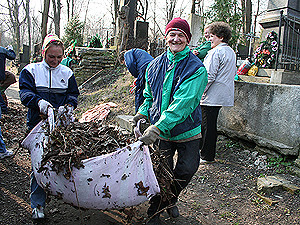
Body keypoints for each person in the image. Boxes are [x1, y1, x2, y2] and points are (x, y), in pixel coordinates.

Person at [132, 17, 208, 225]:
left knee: (187, 169)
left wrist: (156, 128)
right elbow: (149, 96)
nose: (176, 39)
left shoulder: (196, 69)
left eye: (181, 35)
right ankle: (156, 210)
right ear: (166, 37)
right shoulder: (154, 66)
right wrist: (142, 113)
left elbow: (183, 104)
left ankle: (168, 200)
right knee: (160, 173)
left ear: (188, 39)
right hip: (161, 132)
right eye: (172, 34)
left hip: (187, 130)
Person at [19, 34, 80, 219]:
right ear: (43, 52)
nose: (55, 61)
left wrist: (69, 105)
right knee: (39, 165)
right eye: (51, 56)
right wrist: (38, 102)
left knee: (60, 160)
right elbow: (24, 93)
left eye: (59, 57)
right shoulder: (31, 71)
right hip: (37, 124)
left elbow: (73, 94)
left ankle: (62, 193)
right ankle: (37, 204)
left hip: (60, 127)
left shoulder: (67, 73)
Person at [200, 21, 236, 164]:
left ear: (221, 37)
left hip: (211, 95)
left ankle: (207, 155)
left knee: (208, 126)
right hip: (222, 94)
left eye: (212, 36)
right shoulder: (230, 51)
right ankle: (204, 151)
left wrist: (201, 92)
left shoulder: (216, 52)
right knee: (210, 124)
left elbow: (208, 76)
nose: (210, 39)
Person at [124, 48, 154, 113]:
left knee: (139, 91)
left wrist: (136, 76)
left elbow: (130, 64)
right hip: (153, 66)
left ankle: (138, 113)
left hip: (144, 68)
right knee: (150, 91)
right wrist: (137, 79)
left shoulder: (127, 54)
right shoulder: (136, 52)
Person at [0, 46, 16, 113]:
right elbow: (12, 56)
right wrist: (10, 49)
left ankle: (3, 108)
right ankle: (3, 108)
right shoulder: (2, 50)